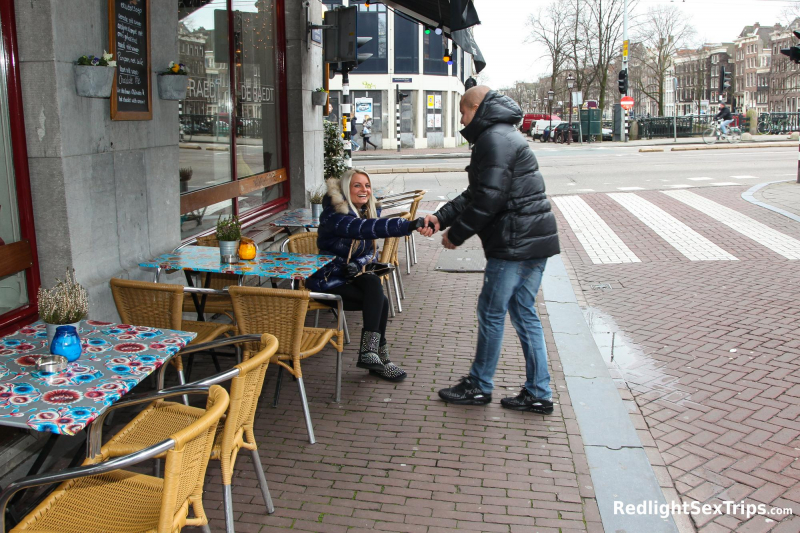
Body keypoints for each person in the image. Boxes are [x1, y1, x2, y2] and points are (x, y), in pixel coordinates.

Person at [420, 86, 560, 414]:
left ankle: (479, 385)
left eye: (463, 112)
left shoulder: (492, 139)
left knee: (492, 312)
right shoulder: (504, 134)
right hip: (532, 239)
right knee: (523, 312)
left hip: (514, 243)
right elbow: (477, 193)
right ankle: (538, 392)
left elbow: (489, 198)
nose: (461, 119)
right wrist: (440, 218)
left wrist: (458, 234)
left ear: (477, 107)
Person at [306, 169, 427, 381]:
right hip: (327, 280)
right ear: (345, 189)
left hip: (348, 277)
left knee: (376, 290)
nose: (364, 190)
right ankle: (375, 357)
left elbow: (370, 252)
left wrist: (357, 264)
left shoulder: (365, 212)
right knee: (380, 299)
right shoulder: (335, 214)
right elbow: (361, 229)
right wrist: (407, 225)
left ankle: (373, 356)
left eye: (367, 185)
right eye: (357, 185)